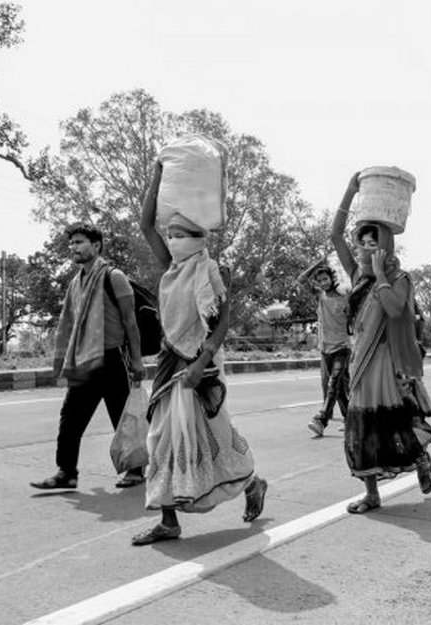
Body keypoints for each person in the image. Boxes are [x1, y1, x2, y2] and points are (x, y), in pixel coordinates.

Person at [131, 160, 267, 545]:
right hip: (169, 359)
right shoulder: (171, 268)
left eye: (179, 234)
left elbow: (222, 323)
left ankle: (252, 482)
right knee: (159, 438)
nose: (171, 240)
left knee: (212, 434)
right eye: (169, 235)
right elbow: (145, 225)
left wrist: (201, 363)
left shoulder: (210, 270)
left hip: (199, 364)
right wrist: (157, 174)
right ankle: (169, 520)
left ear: (198, 238)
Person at [330, 172, 431, 514]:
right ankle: (372, 495)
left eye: (372, 241)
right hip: (358, 362)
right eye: (361, 241)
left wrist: (379, 277)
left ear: (387, 245)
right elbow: (334, 235)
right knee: (360, 430)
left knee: (391, 424)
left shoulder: (399, 278)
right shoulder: (355, 275)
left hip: (386, 363)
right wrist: (349, 192)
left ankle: (420, 457)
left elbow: (393, 309)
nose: (364, 247)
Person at [31, 223, 146, 490]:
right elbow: (70, 323)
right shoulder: (75, 283)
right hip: (85, 360)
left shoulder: (114, 277)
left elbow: (131, 322)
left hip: (113, 358)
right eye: (72, 244)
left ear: (96, 246)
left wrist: (138, 361)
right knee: (70, 417)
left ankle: (136, 470)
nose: (74, 248)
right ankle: (67, 472)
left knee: (123, 418)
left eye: (80, 242)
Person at [300, 261, 350, 438]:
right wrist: (317, 265)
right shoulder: (321, 296)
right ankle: (350, 420)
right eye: (320, 280)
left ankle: (321, 420)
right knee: (339, 390)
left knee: (333, 383)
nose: (323, 283)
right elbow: (301, 280)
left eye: (325, 279)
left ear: (332, 278)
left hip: (342, 348)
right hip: (325, 349)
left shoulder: (345, 297)